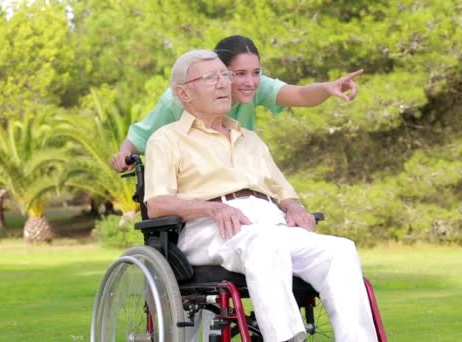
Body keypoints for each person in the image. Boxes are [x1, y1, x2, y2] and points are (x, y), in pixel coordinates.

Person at [144, 49, 377, 342]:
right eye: (210, 77)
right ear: (184, 93)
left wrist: (294, 208)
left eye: (225, 75)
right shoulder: (166, 139)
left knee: (339, 249)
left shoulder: (251, 139)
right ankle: (287, 339)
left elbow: (283, 193)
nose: (222, 83)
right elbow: (156, 204)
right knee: (264, 243)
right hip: (212, 227)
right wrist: (211, 209)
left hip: (270, 222)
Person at [110, 35, 363, 171]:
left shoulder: (256, 86)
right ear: (220, 71)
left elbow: (299, 95)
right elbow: (138, 139)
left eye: (256, 72)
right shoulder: (178, 99)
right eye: (240, 74)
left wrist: (329, 88)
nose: (251, 82)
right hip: (197, 179)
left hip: (239, 172)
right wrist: (123, 156)